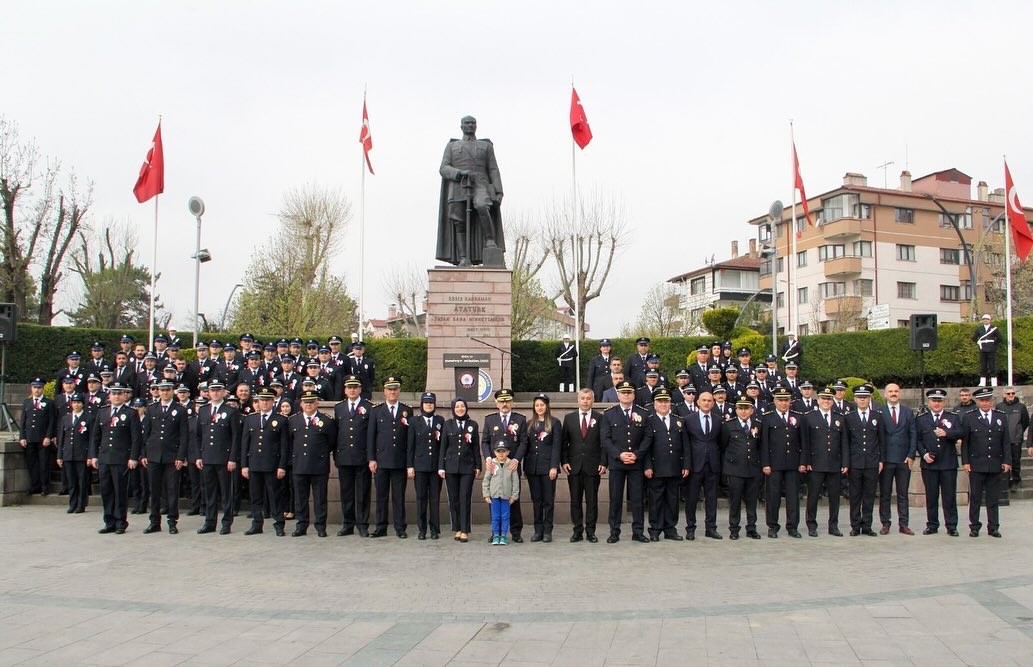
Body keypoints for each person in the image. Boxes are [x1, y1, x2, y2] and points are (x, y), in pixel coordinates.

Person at [436, 115, 505, 267]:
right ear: (461, 126)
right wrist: (459, 173)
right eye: (467, 123)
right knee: (459, 220)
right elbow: (443, 168)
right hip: (459, 184)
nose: (470, 125)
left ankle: (490, 241)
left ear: (476, 126)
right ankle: (463, 257)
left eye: (473, 123)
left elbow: (493, 169)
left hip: (480, 184)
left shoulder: (486, 146)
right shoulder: (452, 146)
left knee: (482, 205)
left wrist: (499, 190)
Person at [599, 380, 649, 543]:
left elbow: (648, 437)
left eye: (629, 392)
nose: (626, 395)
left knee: (637, 499)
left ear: (634, 395)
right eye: (623, 392)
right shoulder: (609, 413)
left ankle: (638, 532)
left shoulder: (643, 412)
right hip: (617, 463)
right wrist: (619, 455)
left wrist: (637, 454)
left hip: (636, 462)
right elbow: (605, 439)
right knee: (615, 499)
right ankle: (614, 532)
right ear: (618, 394)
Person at [138, 380, 189, 534]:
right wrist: (144, 453)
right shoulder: (151, 409)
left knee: (172, 490)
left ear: (172, 391)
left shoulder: (179, 409)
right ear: (158, 392)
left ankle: (172, 521)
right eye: (162, 390)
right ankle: (154, 522)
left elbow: (184, 436)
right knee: (154, 490)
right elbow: (146, 433)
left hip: (172, 456)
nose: (165, 393)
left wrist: (181, 456)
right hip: (153, 455)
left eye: (167, 390)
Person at [90, 383, 140, 534]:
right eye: (114, 394)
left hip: (121, 458)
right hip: (105, 457)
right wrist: (93, 455)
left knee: (119, 492)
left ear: (125, 395)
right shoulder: (103, 412)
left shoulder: (131, 413)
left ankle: (120, 522)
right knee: (106, 491)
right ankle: (109, 521)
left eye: (119, 394)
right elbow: (95, 436)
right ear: (109, 395)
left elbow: (136, 438)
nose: (116, 396)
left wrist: (133, 457)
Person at [239, 388, 289, 536]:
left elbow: (284, 445)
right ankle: (256, 524)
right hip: (254, 464)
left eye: (268, 400)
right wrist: (244, 465)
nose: (265, 403)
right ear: (258, 402)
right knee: (255, 497)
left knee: (275, 496)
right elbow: (245, 444)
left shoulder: (281, 420)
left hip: (272, 465)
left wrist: (282, 465)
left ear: (273, 401)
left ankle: (279, 524)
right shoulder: (251, 419)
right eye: (262, 400)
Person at [961, 386, 1010, 537]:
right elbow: (966, 442)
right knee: (975, 497)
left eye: (987, 400)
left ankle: (993, 526)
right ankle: (974, 526)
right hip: (976, 464)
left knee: (993, 498)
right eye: (982, 400)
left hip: (995, 463)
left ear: (992, 401)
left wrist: (1007, 461)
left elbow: (1005, 442)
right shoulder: (970, 417)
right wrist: (966, 461)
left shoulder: (1000, 416)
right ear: (977, 401)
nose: (985, 403)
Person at [193, 381, 241, 535]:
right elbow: (198, 436)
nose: (214, 393)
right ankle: (210, 522)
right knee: (209, 492)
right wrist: (199, 456)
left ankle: (226, 523)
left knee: (226, 492)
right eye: (212, 391)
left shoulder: (231, 411)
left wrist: (233, 458)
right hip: (207, 457)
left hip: (224, 458)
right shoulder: (204, 410)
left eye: (218, 390)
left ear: (223, 392)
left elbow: (235, 437)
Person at [641, 388, 689, 541]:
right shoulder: (649, 420)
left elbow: (685, 446)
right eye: (660, 401)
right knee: (656, 500)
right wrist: (647, 466)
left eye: (666, 401)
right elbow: (646, 447)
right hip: (656, 468)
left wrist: (686, 465)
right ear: (654, 404)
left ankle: (670, 529)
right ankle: (655, 529)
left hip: (675, 467)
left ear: (670, 403)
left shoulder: (679, 421)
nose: (663, 404)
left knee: (672, 500)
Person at [480, 389, 527, 542]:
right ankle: (496, 532)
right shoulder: (490, 420)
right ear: (496, 403)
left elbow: (523, 442)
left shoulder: (520, 419)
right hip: (494, 466)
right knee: (494, 499)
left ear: (512, 402)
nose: (505, 404)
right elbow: (485, 442)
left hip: (512, 465)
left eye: (507, 401)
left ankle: (515, 531)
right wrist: (488, 458)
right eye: (501, 401)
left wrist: (517, 459)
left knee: (514, 498)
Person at [801, 386, 848, 537]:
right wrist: (806, 461)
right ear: (818, 400)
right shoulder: (809, 417)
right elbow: (805, 442)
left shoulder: (839, 418)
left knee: (834, 497)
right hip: (815, 463)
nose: (826, 401)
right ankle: (811, 525)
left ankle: (833, 526)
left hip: (835, 463)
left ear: (832, 401)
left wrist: (845, 462)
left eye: (829, 399)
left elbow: (844, 443)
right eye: (823, 398)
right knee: (813, 496)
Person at [368, 376, 411, 538]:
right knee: (381, 496)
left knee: (399, 496)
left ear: (399, 391)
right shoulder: (376, 410)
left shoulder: (407, 410)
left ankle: (400, 527)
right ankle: (381, 527)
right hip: (381, 461)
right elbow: (371, 436)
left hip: (400, 461)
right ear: (384, 391)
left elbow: (409, 438)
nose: (392, 392)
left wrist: (409, 462)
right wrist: (371, 458)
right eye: (389, 389)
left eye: (395, 389)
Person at [289, 391, 335, 537]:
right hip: (299, 465)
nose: (308, 404)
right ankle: (301, 525)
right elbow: (289, 442)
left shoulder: (327, 421)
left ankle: (321, 526)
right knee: (300, 499)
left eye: (311, 402)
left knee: (320, 498)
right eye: (306, 402)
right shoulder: (293, 421)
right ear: (301, 404)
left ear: (317, 403)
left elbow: (332, 442)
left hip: (319, 465)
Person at [332, 375, 374, 537]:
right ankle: (348, 524)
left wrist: (370, 457)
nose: (352, 390)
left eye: (355, 387)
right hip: (344, 457)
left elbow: (370, 435)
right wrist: (336, 455)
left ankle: (362, 524)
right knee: (346, 493)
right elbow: (337, 433)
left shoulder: (369, 407)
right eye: (349, 387)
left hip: (362, 457)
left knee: (363, 493)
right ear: (345, 390)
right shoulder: (339, 408)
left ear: (360, 389)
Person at [561, 388, 605, 543]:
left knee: (592, 501)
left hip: (593, 467)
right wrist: (564, 461)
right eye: (583, 398)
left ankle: (591, 532)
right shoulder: (569, 418)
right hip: (574, 466)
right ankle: (577, 531)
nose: (585, 401)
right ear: (577, 400)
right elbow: (563, 443)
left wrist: (603, 462)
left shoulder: (600, 418)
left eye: (588, 398)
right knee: (575, 500)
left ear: (593, 400)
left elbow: (603, 443)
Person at [915, 388, 961, 536]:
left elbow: (961, 433)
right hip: (930, 464)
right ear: (929, 402)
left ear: (944, 402)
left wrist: (947, 433)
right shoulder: (921, 419)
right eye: (934, 401)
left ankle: (951, 525)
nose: (936, 403)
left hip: (948, 463)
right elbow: (917, 439)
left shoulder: (952, 417)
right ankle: (932, 524)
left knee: (949, 496)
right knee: (931, 496)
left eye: (939, 401)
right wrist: (924, 454)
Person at [760, 387, 804, 538]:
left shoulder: (798, 417)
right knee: (773, 497)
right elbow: (764, 443)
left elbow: (803, 442)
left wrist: (803, 462)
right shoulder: (767, 418)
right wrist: (765, 463)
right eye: (780, 400)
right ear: (774, 401)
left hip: (793, 463)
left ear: (790, 401)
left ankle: (792, 526)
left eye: (786, 400)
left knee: (793, 497)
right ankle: (772, 526)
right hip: (774, 463)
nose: (783, 403)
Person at [844, 384, 884, 537]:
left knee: (869, 495)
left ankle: (867, 525)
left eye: (865, 398)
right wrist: (846, 463)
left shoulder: (877, 416)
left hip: (872, 462)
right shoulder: (849, 417)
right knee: (855, 495)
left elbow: (881, 441)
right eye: (860, 398)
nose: (862, 400)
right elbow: (846, 442)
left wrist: (881, 460)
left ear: (870, 399)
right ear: (855, 399)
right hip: (855, 463)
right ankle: (855, 525)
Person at [878, 383, 917, 534]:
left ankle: (904, 524)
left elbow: (913, 434)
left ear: (899, 394)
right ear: (885, 394)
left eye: (896, 391)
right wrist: (880, 459)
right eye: (890, 391)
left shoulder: (908, 412)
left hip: (903, 459)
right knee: (885, 493)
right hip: (886, 459)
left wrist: (911, 454)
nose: (893, 393)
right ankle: (885, 523)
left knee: (903, 494)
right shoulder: (879, 412)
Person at [439, 397, 480, 543]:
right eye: (457, 407)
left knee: (465, 498)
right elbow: (443, 447)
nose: (460, 409)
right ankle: (456, 528)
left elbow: (476, 447)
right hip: (450, 467)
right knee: (454, 499)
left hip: (467, 467)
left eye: (462, 406)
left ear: (466, 408)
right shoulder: (448, 425)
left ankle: (465, 530)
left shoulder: (472, 425)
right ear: (453, 409)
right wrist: (441, 467)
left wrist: (477, 466)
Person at [683, 390, 723, 540]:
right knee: (692, 498)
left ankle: (711, 528)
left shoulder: (718, 420)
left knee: (712, 498)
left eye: (709, 401)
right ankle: (690, 528)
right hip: (695, 464)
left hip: (712, 465)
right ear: (698, 402)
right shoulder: (688, 419)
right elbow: (685, 444)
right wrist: (686, 464)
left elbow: (721, 442)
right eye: (704, 400)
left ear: (713, 403)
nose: (707, 403)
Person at [722, 398, 763, 540]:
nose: (743, 411)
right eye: (740, 408)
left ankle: (751, 528)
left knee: (752, 501)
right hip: (735, 469)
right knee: (735, 501)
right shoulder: (728, 425)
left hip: (753, 468)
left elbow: (760, 446)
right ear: (736, 410)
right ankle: (734, 529)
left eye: (746, 408)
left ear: (752, 410)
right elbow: (723, 445)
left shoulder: (758, 424)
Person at [407, 392, 445, 541]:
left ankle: (435, 529)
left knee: (434, 499)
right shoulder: (414, 421)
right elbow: (410, 446)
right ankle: (422, 529)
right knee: (421, 498)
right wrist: (410, 466)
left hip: (435, 467)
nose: (429, 405)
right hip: (420, 466)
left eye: (431, 402)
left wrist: (442, 466)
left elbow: (442, 446)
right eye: (426, 402)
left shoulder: (440, 421)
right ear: (421, 404)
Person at [524, 393, 561, 542]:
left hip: (548, 468)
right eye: (537, 405)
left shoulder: (554, 422)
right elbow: (526, 447)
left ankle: (547, 531)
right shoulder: (529, 424)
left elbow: (557, 446)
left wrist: (554, 466)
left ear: (547, 406)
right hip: (532, 468)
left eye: (542, 405)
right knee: (536, 500)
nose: (539, 407)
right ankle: (538, 530)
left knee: (548, 501)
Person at [20, 378, 59, 496]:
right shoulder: (27, 402)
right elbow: (23, 421)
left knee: (44, 464)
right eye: (35, 387)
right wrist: (22, 437)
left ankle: (44, 487)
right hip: (30, 438)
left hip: (43, 439)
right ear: (31, 388)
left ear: (43, 389)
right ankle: (35, 485)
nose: (37, 390)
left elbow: (52, 421)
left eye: (39, 387)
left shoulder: (49, 403)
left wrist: (48, 436)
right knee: (32, 464)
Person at [56, 393, 93, 514]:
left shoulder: (88, 418)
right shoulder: (66, 418)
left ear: (83, 404)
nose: (76, 405)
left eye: (78, 402)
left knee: (82, 481)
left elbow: (92, 438)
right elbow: (61, 438)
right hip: (68, 454)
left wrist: (90, 456)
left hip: (82, 454)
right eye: (74, 402)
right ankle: (72, 504)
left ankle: (81, 504)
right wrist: (60, 456)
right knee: (71, 481)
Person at [483, 442, 519, 545]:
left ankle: (503, 535)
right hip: (494, 496)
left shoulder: (511, 464)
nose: (501, 454)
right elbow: (486, 480)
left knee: (505, 516)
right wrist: (486, 494)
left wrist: (514, 496)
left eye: (504, 451)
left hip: (506, 496)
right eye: (499, 451)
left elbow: (515, 481)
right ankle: (496, 535)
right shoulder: (492, 464)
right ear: (495, 452)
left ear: (508, 452)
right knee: (495, 517)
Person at [996, 387, 1029, 491]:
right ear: (1004, 395)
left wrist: (1018, 433)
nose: (1011, 395)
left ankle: (1016, 481)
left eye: (1013, 393)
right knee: (1003, 460)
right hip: (1002, 439)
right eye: (1008, 393)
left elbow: (1025, 422)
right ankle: (1006, 480)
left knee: (1015, 461)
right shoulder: (999, 406)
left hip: (1016, 439)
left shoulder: (1021, 407)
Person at [972, 313, 1002, 387]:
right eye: (984, 319)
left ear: (990, 320)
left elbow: (1000, 338)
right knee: (983, 366)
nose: (985, 320)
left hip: (991, 349)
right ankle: (982, 382)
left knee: (992, 366)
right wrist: (978, 342)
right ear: (982, 320)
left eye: (987, 319)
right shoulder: (979, 329)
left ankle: (994, 382)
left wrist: (993, 344)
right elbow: (974, 338)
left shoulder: (994, 328)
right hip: (983, 349)